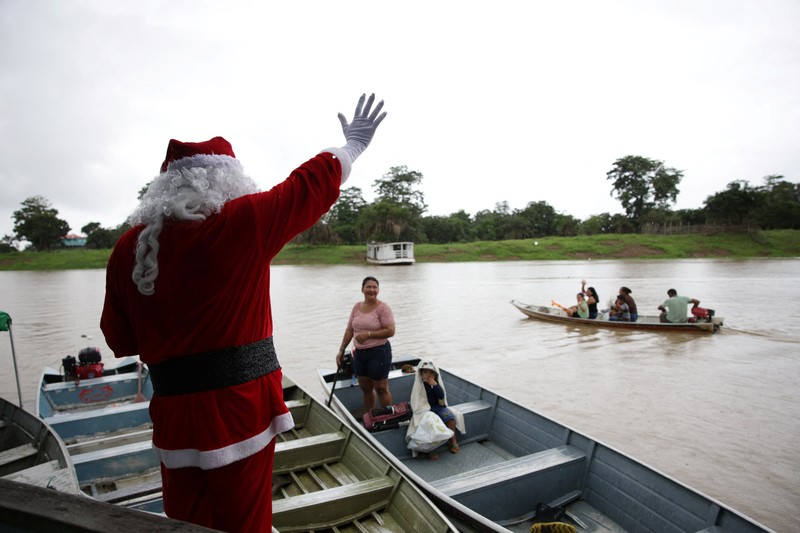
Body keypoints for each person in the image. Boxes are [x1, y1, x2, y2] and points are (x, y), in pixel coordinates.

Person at [100, 94, 387, 532]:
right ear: (226, 179)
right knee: (247, 523)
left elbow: (121, 341)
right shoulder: (241, 222)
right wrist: (351, 148)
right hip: (241, 411)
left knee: (186, 521)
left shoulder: (127, 249)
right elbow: (305, 187)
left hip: (174, 416)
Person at [337, 276, 396, 414]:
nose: (372, 290)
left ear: (378, 290)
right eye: (369, 286)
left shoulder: (383, 308)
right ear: (362, 289)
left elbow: (391, 331)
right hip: (360, 353)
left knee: (381, 388)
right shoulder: (357, 307)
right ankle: (370, 416)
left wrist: (368, 335)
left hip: (379, 352)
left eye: (375, 287)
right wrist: (341, 350)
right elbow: (349, 330)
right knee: (365, 388)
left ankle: (386, 417)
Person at [407, 360, 465, 460]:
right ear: (421, 373)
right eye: (425, 372)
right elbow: (417, 401)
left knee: (450, 418)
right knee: (430, 424)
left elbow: (441, 396)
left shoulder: (435, 384)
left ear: (435, 374)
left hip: (437, 407)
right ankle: (430, 448)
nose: (428, 375)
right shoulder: (419, 385)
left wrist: (435, 385)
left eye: (431, 372)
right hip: (424, 410)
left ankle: (452, 440)